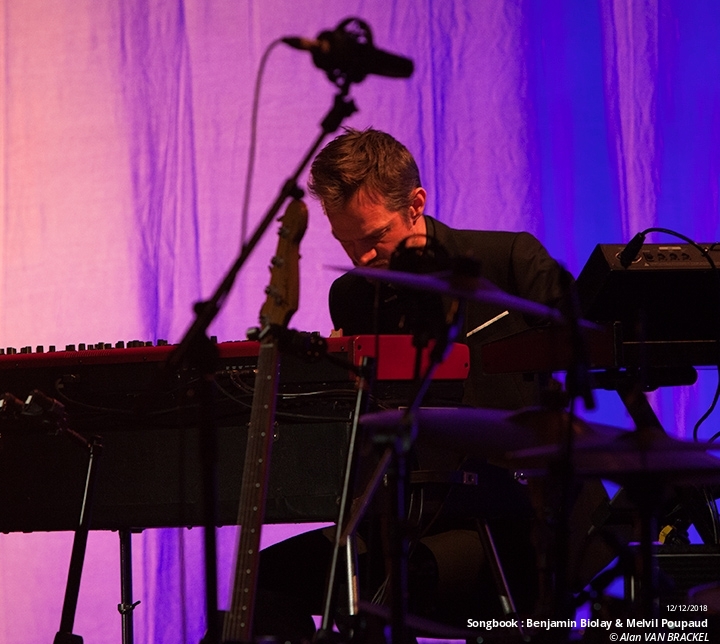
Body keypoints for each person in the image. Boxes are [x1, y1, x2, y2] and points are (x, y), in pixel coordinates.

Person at [252, 128, 611, 640]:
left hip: (516, 519)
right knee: (269, 578)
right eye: (345, 243)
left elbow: (593, 351)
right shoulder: (353, 296)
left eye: (374, 238)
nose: (361, 259)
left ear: (416, 204)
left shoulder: (508, 261)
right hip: (411, 512)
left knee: (396, 587)